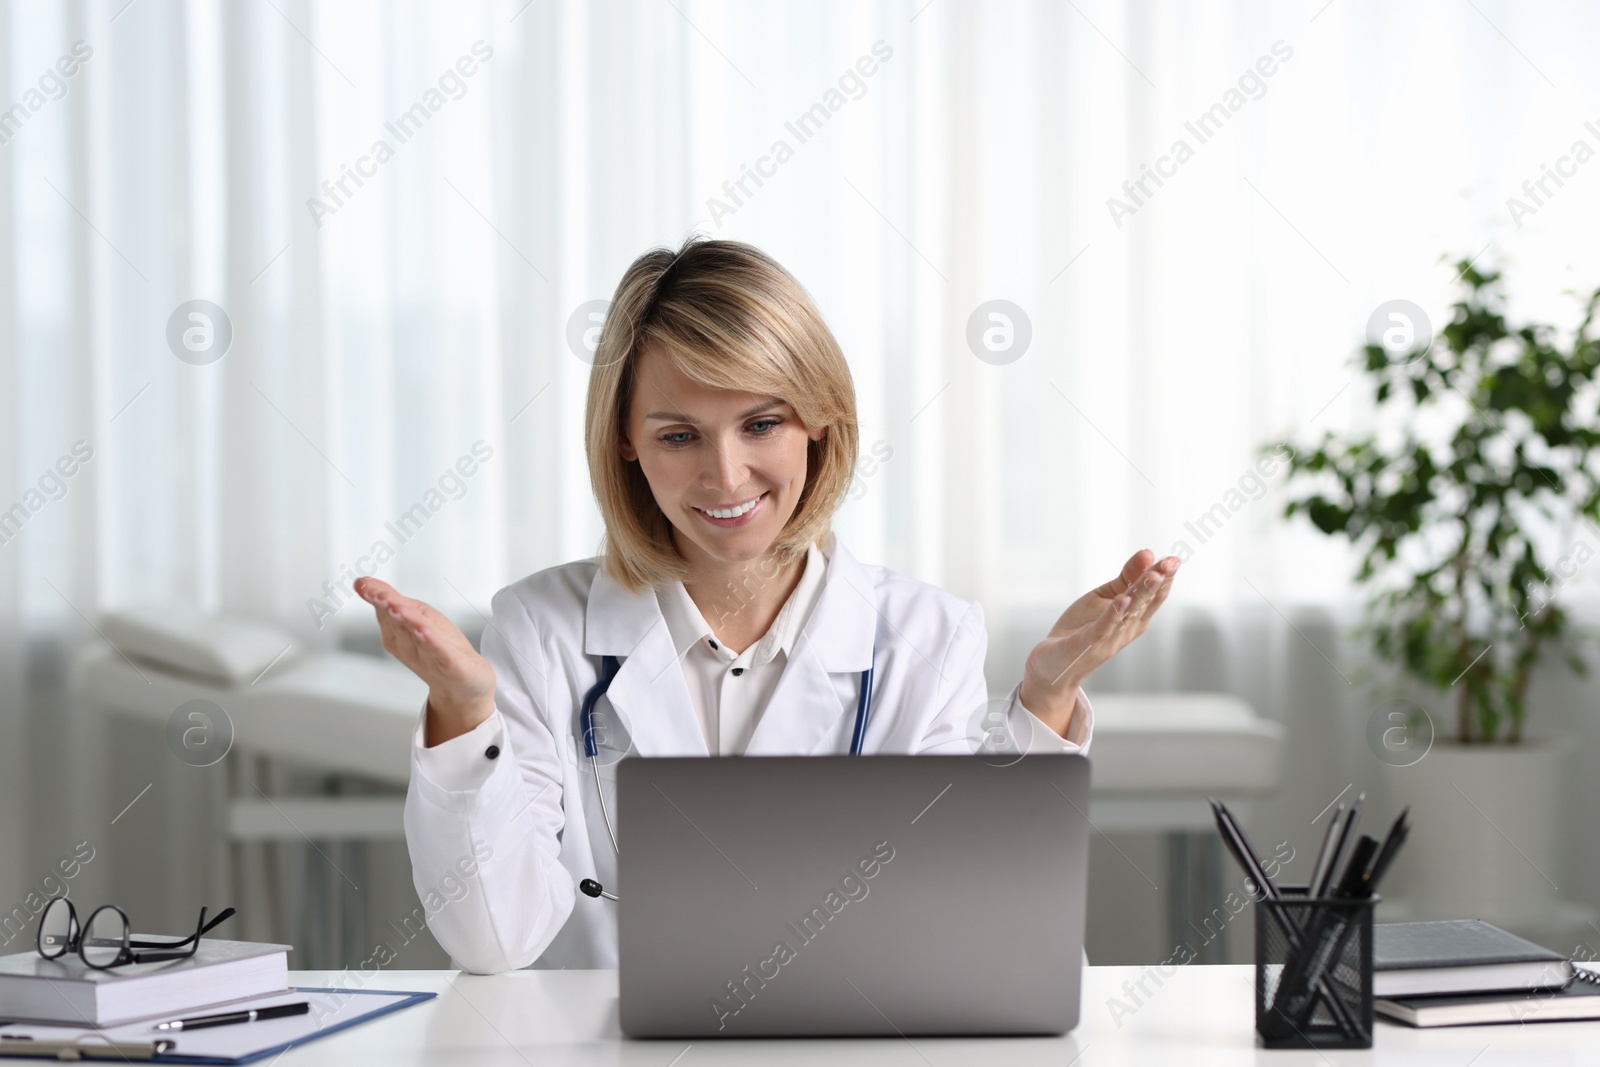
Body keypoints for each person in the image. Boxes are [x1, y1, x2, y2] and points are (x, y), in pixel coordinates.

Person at [356, 236, 1179, 974]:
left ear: (819, 420)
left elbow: (991, 924)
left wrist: (1044, 701)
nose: (726, 475)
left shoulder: (926, 636)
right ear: (625, 439)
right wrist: (465, 718)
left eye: (761, 423)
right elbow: (492, 940)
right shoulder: (539, 629)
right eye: (679, 435)